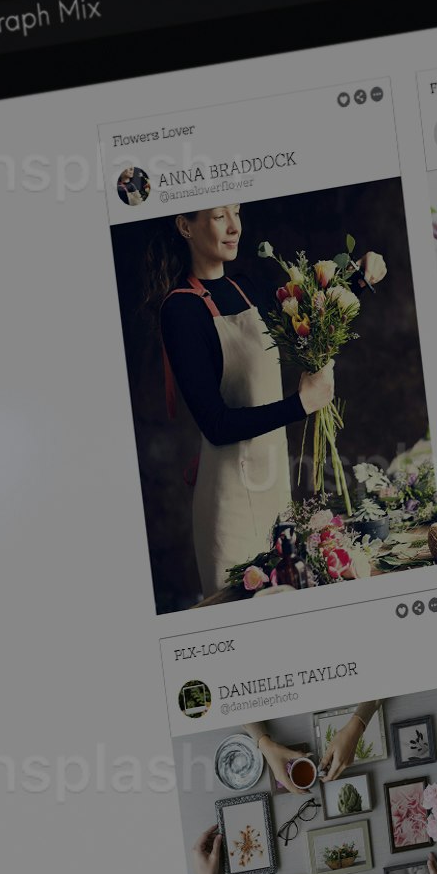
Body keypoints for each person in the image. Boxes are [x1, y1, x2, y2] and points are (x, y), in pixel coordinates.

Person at [136, 206, 334, 600]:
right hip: (230, 505)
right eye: (218, 215)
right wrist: (300, 404)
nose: (234, 226)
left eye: (236, 212)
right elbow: (217, 424)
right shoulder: (181, 311)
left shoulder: (248, 288)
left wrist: (356, 282)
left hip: (273, 487)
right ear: (185, 226)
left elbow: (308, 332)